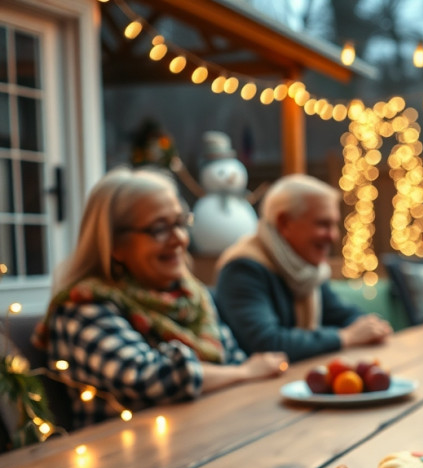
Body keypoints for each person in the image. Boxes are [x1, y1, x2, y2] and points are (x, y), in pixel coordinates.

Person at [37, 168, 287, 429]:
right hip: (129, 461)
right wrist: (244, 373)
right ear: (115, 245)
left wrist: (238, 373)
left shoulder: (191, 297)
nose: (179, 239)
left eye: (180, 223)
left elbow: (230, 358)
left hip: (212, 439)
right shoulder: (82, 307)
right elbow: (150, 378)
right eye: (159, 229)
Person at [214, 174, 391, 362]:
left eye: (334, 225)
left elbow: (342, 314)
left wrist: (369, 327)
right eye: (323, 224)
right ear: (284, 223)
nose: (333, 236)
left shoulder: (303, 268)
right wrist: (345, 337)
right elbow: (267, 344)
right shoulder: (242, 268)